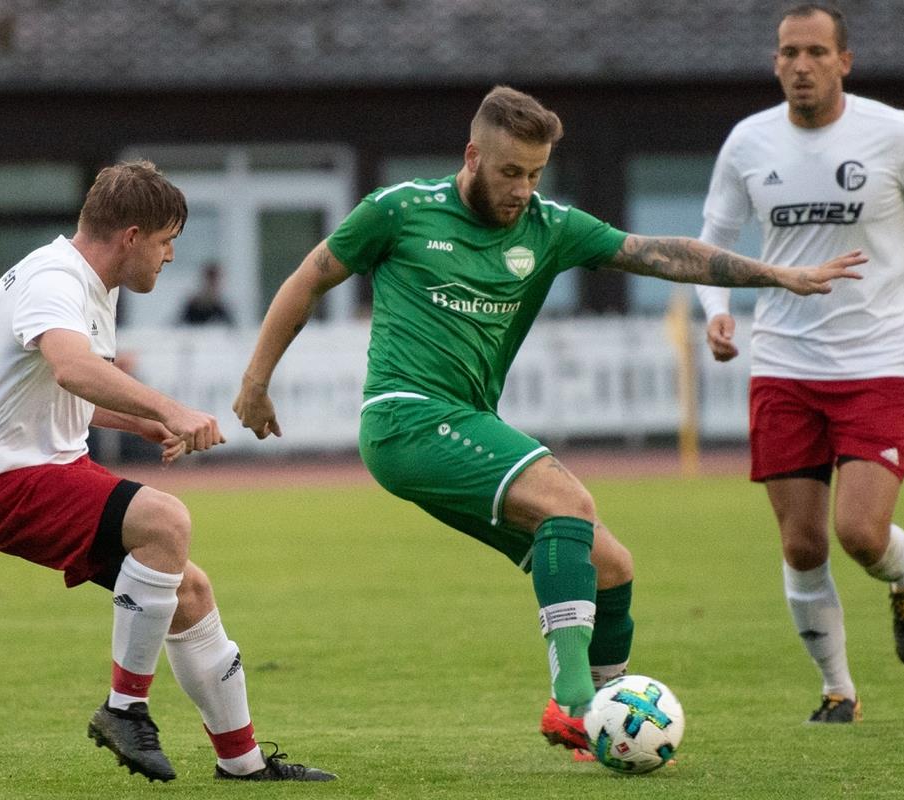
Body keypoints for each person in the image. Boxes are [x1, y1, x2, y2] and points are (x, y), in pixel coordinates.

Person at [231, 86, 865, 757]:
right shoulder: (400, 210)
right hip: (404, 418)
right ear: (473, 156)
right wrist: (254, 381)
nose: (522, 190)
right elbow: (309, 276)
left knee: (610, 565)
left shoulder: (550, 227)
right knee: (570, 502)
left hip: (461, 422)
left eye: (535, 174)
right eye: (510, 172)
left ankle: (605, 724)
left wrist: (776, 275)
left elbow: (661, 253)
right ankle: (574, 703)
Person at [0, 160, 335, 783]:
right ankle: (124, 708)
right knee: (165, 519)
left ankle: (242, 764)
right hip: (5, 481)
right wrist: (170, 408)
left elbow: (59, 383)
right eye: (166, 242)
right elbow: (72, 368)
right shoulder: (56, 278)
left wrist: (139, 424)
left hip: (37, 468)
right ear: (131, 237)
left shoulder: (84, 281)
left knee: (189, 591)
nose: (171, 256)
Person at [693, 4, 904, 723]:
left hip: (877, 362)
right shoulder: (748, 142)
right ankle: (838, 691)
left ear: (844, 61)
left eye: (817, 52)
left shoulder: (895, 134)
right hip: (784, 365)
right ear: (775, 63)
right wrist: (715, 310)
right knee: (801, 543)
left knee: (858, 532)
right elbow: (712, 241)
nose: (801, 65)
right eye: (789, 53)